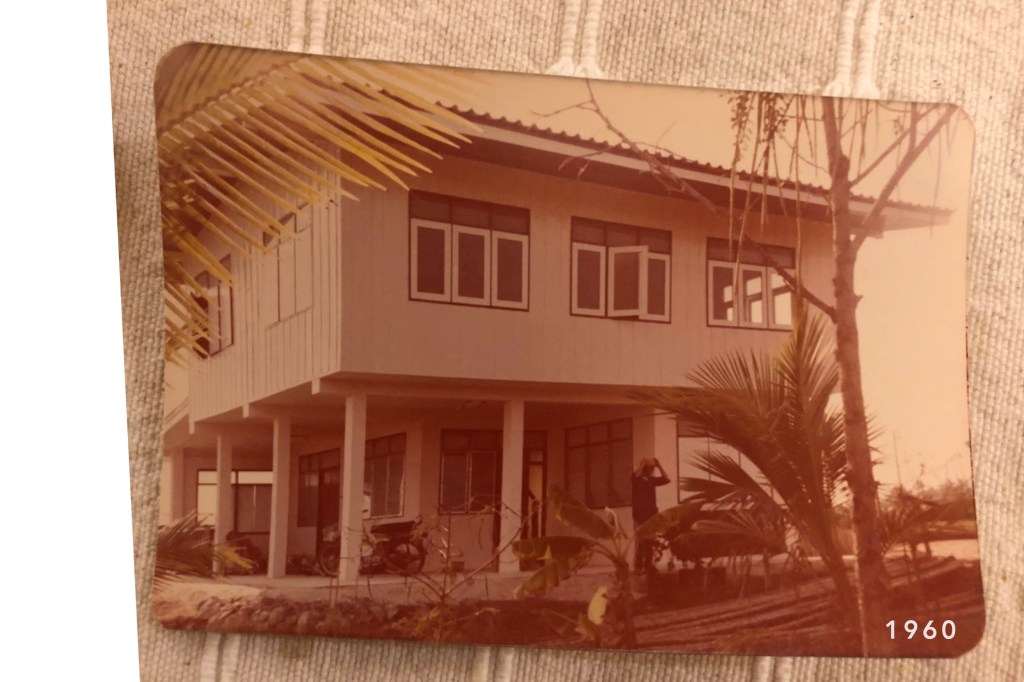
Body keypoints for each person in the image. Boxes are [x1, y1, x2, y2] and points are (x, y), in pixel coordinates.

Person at [632, 457, 670, 574]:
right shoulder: (636, 478)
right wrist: (642, 464)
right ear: (645, 469)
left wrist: (659, 466)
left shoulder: (651, 480)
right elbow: (635, 478)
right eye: (650, 468)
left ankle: (648, 565)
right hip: (640, 514)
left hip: (651, 513)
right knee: (641, 540)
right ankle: (638, 566)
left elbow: (666, 479)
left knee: (650, 541)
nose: (652, 471)